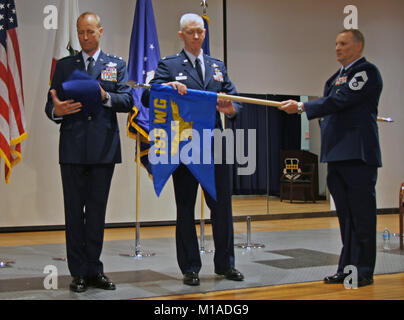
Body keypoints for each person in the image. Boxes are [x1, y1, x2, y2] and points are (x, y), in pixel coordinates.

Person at [142, 13, 244, 286]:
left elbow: (234, 99)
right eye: (191, 32)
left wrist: (231, 108)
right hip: (184, 143)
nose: (197, 36)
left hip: (216, 145)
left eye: (200, 31)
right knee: (185, 207)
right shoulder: (168, 64)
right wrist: (165, 87)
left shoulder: (217, 66)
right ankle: (189, 267)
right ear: (181, 35)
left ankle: (225, 265)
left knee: (222, 207)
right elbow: (146, 95)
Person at [280, 29, 383, 288]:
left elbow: (340, 101)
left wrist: (303, 106)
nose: (337, 48)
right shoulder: (334, 78)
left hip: (358, 155)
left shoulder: (365, 72)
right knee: (346, 218)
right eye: (336, 43)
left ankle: (364, 270)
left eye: (343, 43)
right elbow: (331, 103)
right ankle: (347, 270)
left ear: (358, 46)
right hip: (337, 154)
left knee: (361, 216)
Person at [45, 12, 133, 293]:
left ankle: (95, 269)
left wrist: (106, 96)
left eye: (90, 32)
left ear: (100, 31)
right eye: (80, 32)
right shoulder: (65, 65)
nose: (84, 37)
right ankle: (78, 273)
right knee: (73, 213)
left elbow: (129, 100)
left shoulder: (116, 64)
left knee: (96, 213)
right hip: (72, 148)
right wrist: (56, 111)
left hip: (103, 149)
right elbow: (51, 104)